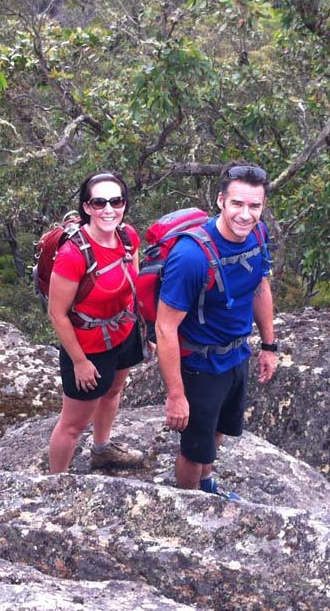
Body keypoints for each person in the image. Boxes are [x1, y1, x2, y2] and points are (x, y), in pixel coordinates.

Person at [156, 162, 278, 499]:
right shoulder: (191, 257)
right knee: (195, 450)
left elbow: (260, 285)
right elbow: (165, 328)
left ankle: (208, 487)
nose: (245, 214)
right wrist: (176, 395)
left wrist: (269, 345)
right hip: (200, 365)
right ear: (220, 201)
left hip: (236, 354)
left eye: (254, 206)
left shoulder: (258, 235)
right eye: (237, 203)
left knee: (219, 432)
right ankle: (186, 505)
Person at [47, 171, 146, 474]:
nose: (108, 209)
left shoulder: (128, 236)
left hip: (123, 331)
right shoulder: (72, 255)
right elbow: (57, 313)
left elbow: (136, 285)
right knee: (73, 425)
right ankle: (54, 484)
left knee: (113, 392)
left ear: (124, 204)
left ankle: (102, 449)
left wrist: (147, 328)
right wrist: (78, 361)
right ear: (87, 207)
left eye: (116, 201)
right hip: (88, 345)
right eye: (99, 202)